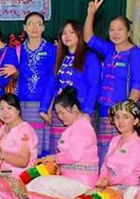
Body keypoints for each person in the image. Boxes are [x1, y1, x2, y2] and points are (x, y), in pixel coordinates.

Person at [63, 100, 140, 199]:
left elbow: (125, 173)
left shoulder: (138, 146)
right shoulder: (115, 140)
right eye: (117, 117)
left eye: (126, 117)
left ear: (136, 121)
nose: (120, 121)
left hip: (125, 193)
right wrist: (101, 182)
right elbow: (105, 166)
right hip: (106, 187)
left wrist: (107, 182)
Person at [83, 0, 140, 165]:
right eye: (112, 30)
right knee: (103, 150)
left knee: (120, 153)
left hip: (121, 114)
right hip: (103, 111)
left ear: (129, 32)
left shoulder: (136, 54)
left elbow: (138, 85)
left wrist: (125, 113)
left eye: (120, 29)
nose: (116, 33)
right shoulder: (109, 49)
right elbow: (88, 38)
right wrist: (91, 14)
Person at [27, 87, 99, 199]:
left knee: (36, 185)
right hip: (71, 179)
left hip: (81, 183)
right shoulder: (75, 126)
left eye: (62, 113)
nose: (60, 117)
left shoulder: (82, 127)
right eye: (58, 113)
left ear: (74, 109)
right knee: (34, 179)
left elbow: (73, 156)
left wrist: (53, 158)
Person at [39, 20, 101, 157]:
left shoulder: (90, 57)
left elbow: (94, 86)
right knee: (58, 152)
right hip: (60, 113)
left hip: (80, 112)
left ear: (79, 34)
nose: (67, 36)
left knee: (79, 153)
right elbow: (51, 83)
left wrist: (87, 112)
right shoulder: (60, 57)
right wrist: (43, 108)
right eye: (64, 33)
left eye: (72, 32)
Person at [3, 12, 55, 157]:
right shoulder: (17, 50)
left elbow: (53, 78)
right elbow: (14, 76)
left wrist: (48, 105)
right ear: (24, 28)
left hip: (44, 103)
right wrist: (14, 72)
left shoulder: (52, 50)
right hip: (22, 102)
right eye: (30, 24)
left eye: (38, 24)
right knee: (23, 140)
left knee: (40, 143)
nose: (34, 27)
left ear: (43, 28)